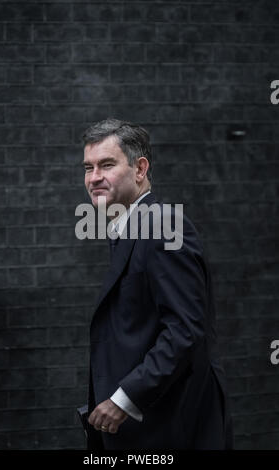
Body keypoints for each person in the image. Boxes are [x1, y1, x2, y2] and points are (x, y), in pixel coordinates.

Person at [81, 118, 233, 450]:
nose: (94, 178)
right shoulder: (132, 227)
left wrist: (123, 399)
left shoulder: (162, 225)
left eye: (106, 165)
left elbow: (184, 331)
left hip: (169, 428)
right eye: (88, 168)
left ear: (140, 169)